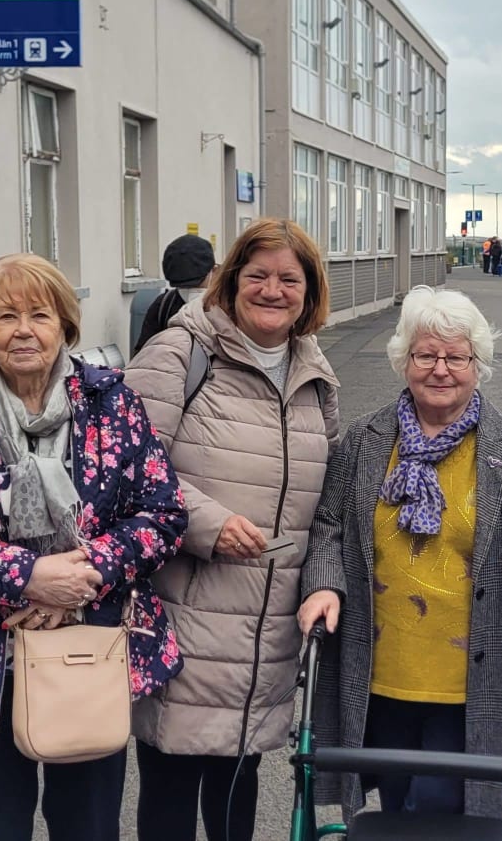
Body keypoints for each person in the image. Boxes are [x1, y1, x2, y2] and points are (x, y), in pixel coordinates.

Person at [0, 252, 186, 841]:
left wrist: (87, 572)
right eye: (6, 316)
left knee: (88, 828)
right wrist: (28, 576)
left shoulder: (112, 404)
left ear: (65, 327)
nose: (23, 330)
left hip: (89, 650)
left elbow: (163, 513)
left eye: (40, 315)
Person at [125, 218, 339, 841]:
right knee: (170, 786)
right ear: (231, 279)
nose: (273, 290)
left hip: (266, 629)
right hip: (183, 615)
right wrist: (206, 523)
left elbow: (324, 495)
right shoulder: (179, 352)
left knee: (236, 791)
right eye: (259, 275)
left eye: (289, 279)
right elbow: (125, 464)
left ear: (309, 290)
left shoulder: (313, 370)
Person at [299, 285, 502, 824]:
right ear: (404, 360)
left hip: (470, 680)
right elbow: (328, 525)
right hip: (381, 674)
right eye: (426, 355)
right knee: (394, 810)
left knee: (438, 809)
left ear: (477, 365)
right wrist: (324, 584)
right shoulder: (367, 440)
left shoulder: (498, 448)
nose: (441, 369)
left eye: (456, 357)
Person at [133, 233, 217, 354]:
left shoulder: (229, 304)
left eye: (196, 284)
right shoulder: (163, 306)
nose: (189, 291)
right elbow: (143, 354)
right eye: (184, 286)